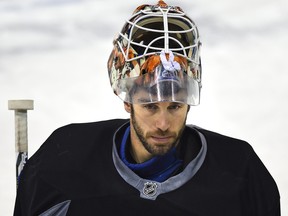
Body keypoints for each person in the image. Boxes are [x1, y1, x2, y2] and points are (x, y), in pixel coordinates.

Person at [14, 1, 280, 215]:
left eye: (175, 106)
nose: (163, 123)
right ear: (127, 100)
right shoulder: (61, 163)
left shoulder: (241, 175)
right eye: (150, 106)